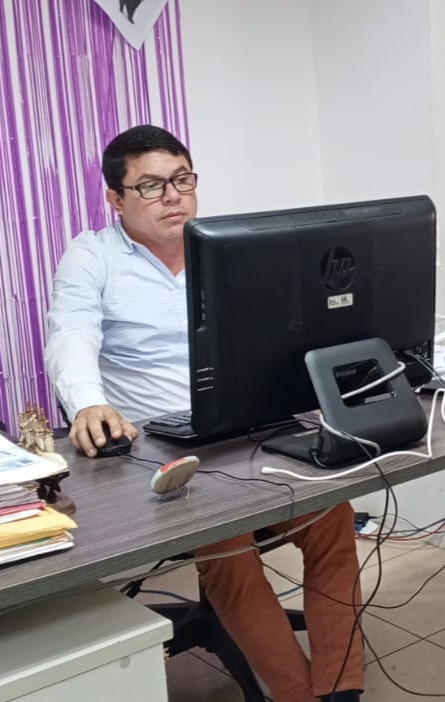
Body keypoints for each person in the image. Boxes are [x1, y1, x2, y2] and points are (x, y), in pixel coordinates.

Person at [44, 125, 365, 702]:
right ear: (116, 199)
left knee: (333, 519)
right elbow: (71, 333)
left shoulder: (224, 247)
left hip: (244, 431)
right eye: (151, 186)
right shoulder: (92, 256)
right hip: (160, 453)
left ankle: (342, 690)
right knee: (229, 548)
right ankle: (297, 694)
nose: (173, 196)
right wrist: (88, 401)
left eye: (182, 179)